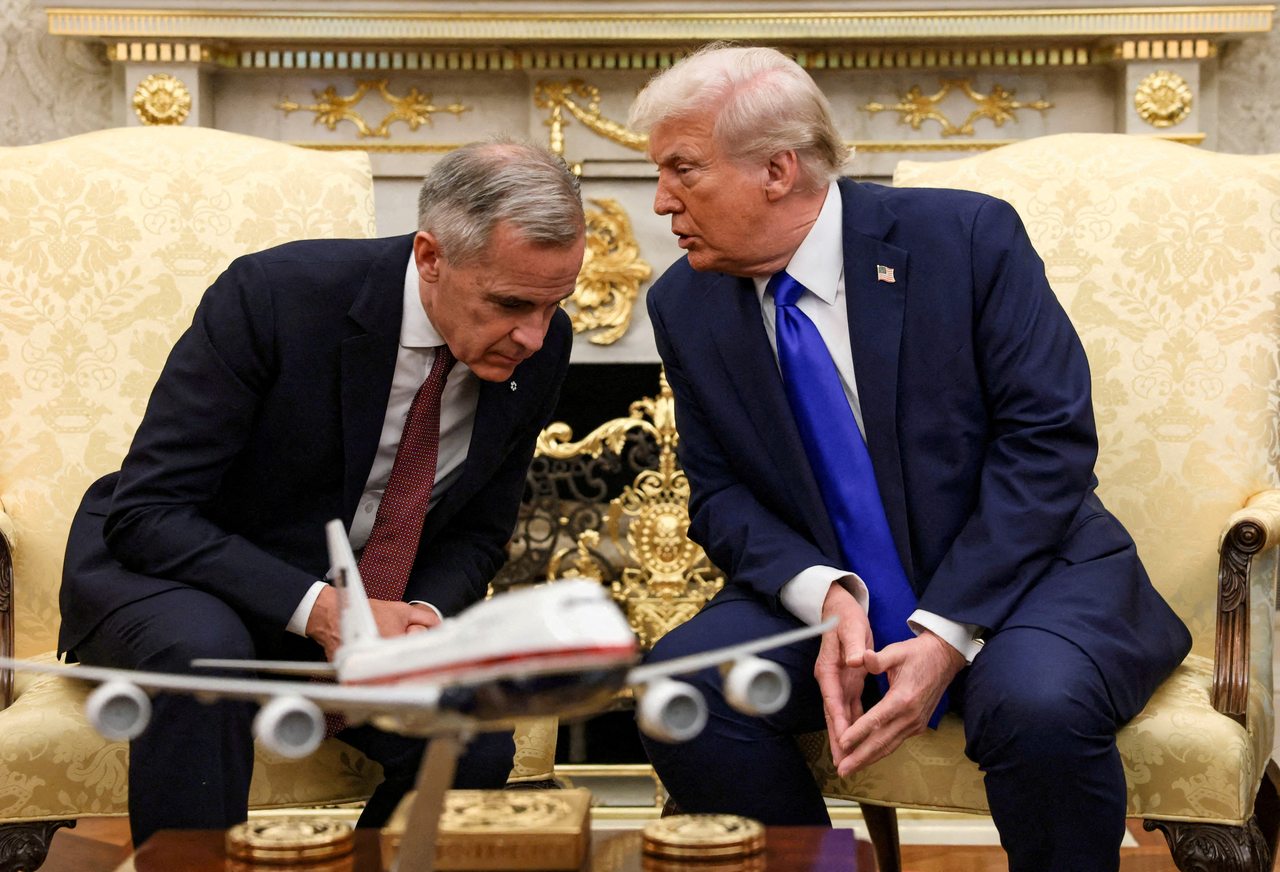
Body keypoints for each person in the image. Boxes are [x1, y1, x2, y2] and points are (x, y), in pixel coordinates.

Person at [629, 45, 1191, 871]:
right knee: (677, 689)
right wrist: (825, 594)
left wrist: (945, 629)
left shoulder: (964, 238)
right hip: (835, 588)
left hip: (1026, 575)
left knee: (1035, 707)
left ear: (778, 169)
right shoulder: (685, 302)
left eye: (683, 169)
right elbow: (720, 495)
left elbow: (1047, 444)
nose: (660, 200)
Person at [56, 140, 585, 847]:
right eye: (511, 303)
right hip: (180, 574)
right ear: (431, 257)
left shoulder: (541, 347)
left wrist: (421, 620)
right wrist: (324, 611)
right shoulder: (276, 296)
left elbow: (478, 532)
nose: (534, 336)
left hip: (358, 598)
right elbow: (149, 512)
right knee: (205, 656)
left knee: (472, 736)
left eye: (553, 305)